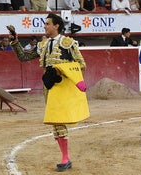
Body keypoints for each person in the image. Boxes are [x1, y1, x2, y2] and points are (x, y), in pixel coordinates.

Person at [7, 13, 88, 172]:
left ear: (56, 25)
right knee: (55, 121)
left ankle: (65, 158)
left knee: (58, 120)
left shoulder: (68, 43)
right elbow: (24, 57)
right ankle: (65, 157)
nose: (45, 26)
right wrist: (15, 41)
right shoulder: (42, 44)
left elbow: (81, 64)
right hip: (49, 86)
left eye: (47, 24)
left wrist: (60, 70)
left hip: (62, 86)